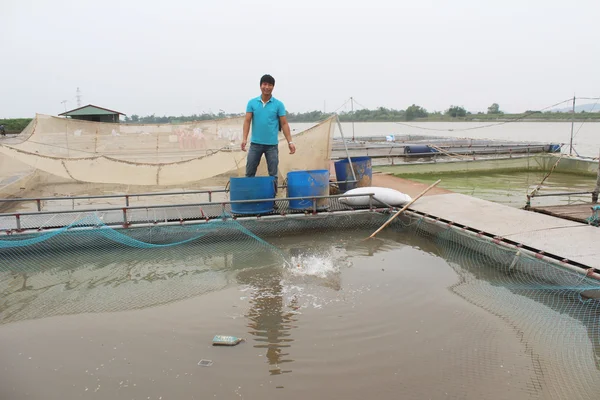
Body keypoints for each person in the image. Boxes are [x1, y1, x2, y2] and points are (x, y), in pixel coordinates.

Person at [242, 74, 296, 189]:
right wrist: (244, 139)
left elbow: (284, 123)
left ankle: (272, 200)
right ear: (260, 86)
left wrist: (290, 142)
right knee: (249, 172)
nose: (267, 87)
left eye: (270, 85)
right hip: (255, 144)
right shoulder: (252, 103)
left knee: (273, 174)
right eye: (264, 84)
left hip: (271, 145)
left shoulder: (278, 104)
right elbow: (247, 121)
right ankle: (248, 198)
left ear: (273, 87)